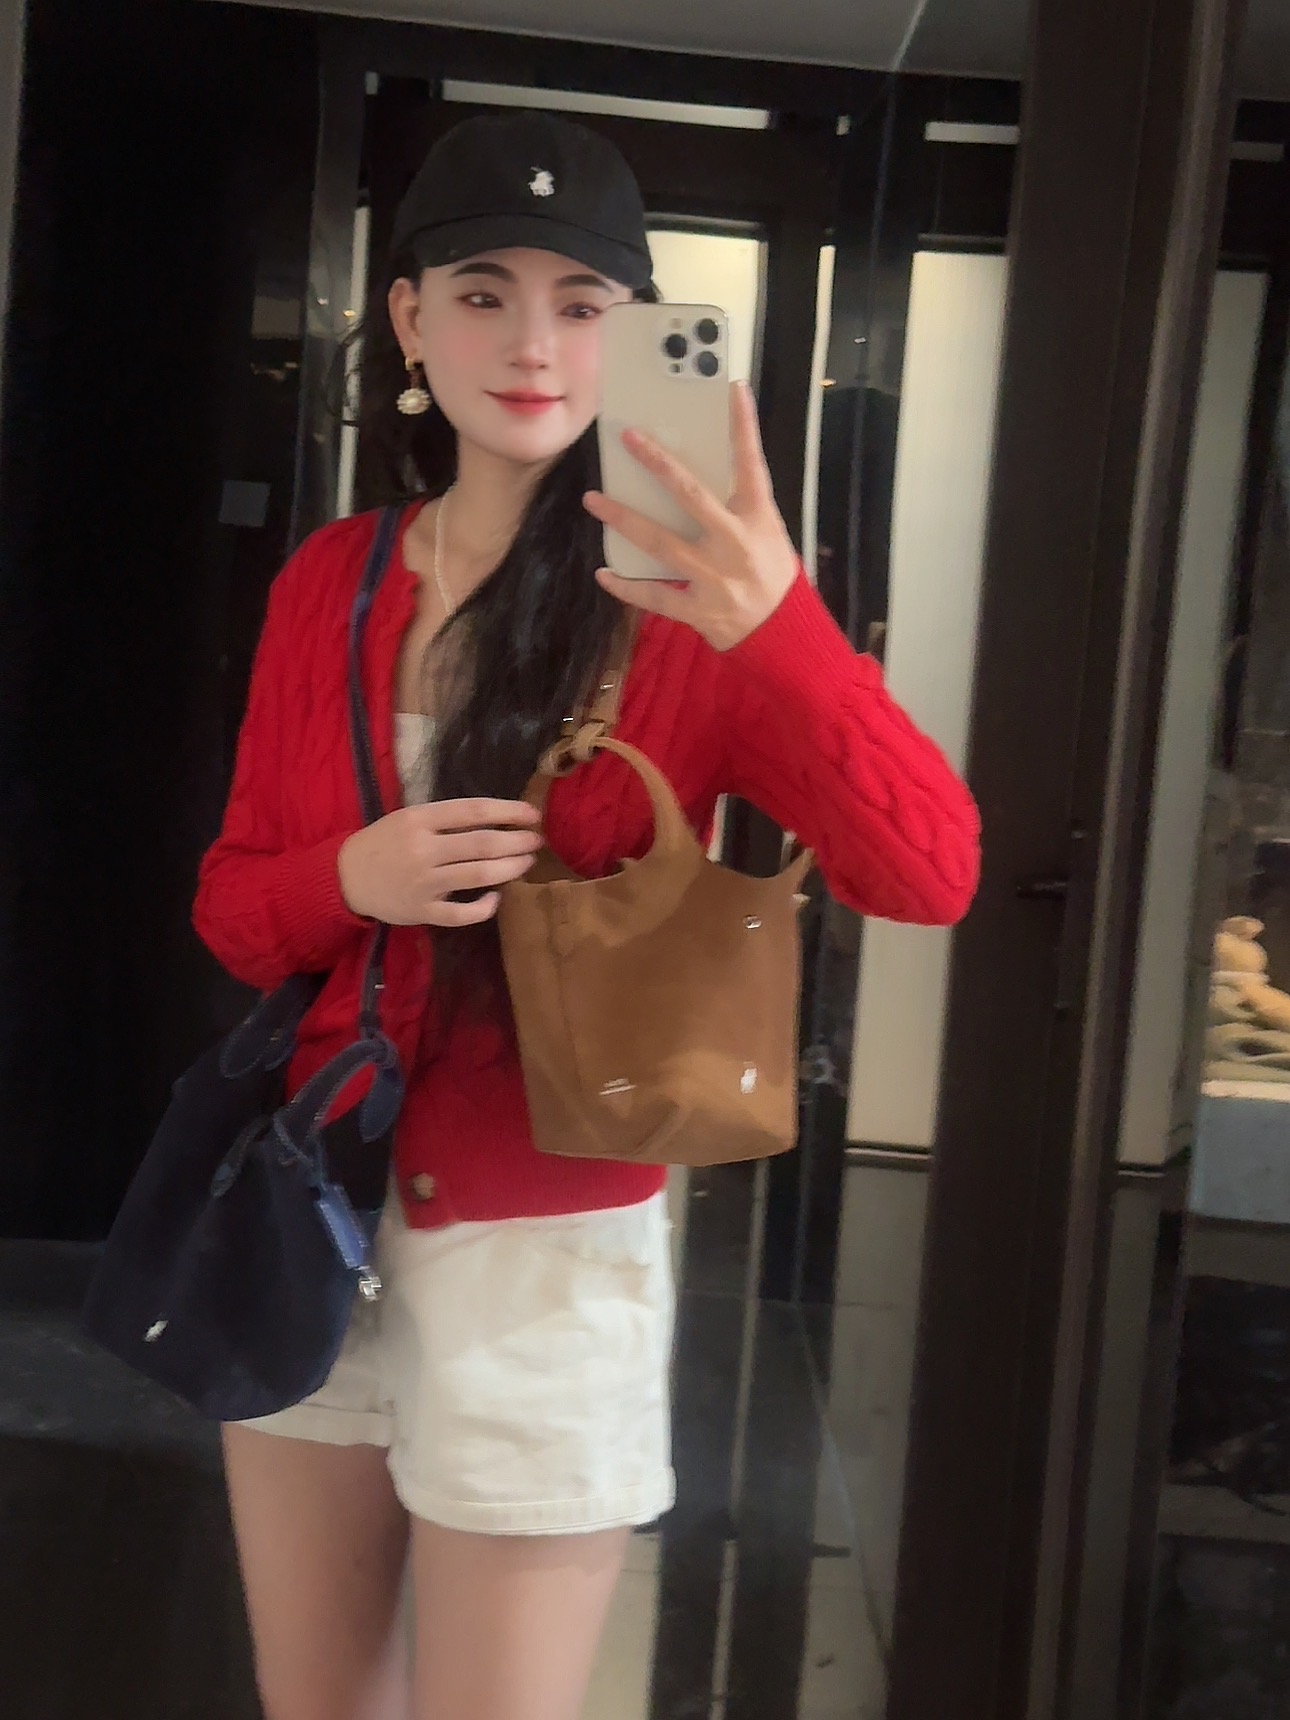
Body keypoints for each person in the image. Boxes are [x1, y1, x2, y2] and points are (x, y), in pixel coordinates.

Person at [193, 110, 981, 1720]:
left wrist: (782, 627)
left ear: (632, 336)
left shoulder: (695, 612)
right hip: (305, 1213)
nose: (531, 344)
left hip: (545, 1256)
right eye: (481, 293)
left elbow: (928, 870)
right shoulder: (332, 580)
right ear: (410, 320)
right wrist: (351, 880)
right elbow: (234, 912)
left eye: (579, 302)